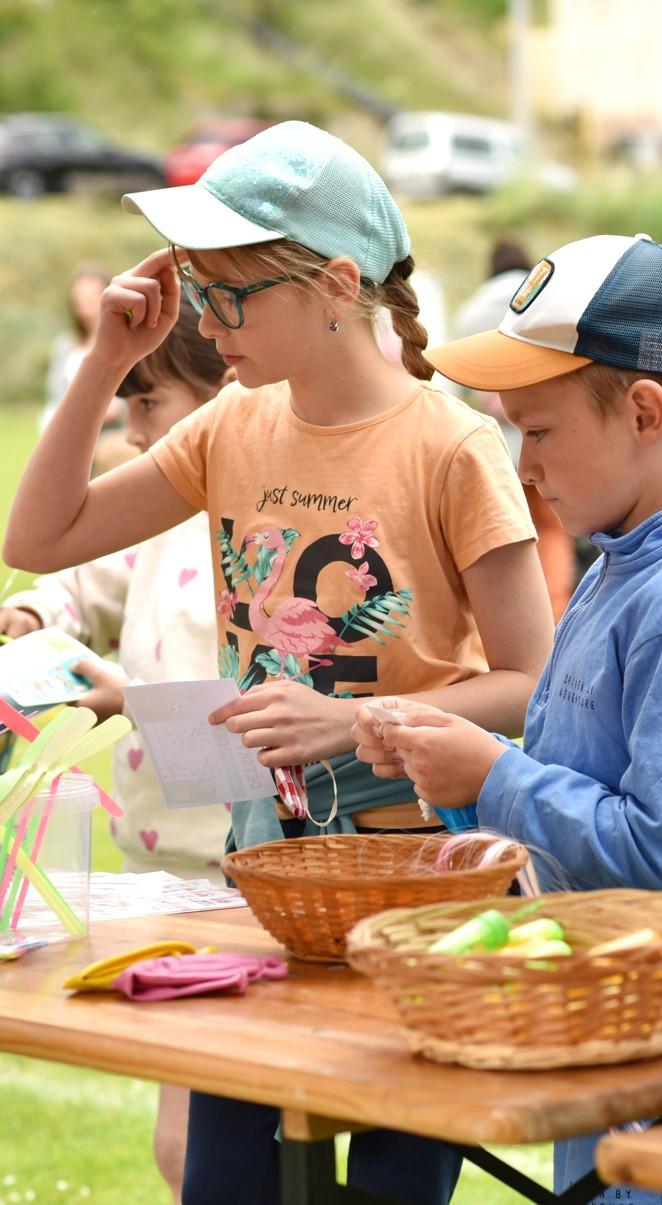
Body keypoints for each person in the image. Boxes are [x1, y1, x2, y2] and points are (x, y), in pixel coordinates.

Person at [4, 120, 554, 1205]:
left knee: (390, 1191)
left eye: (232, 297)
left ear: (336, 285)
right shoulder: (231, 426)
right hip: (259, 879)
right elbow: (39, 535)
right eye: (200, 294)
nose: (207, 325)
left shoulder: (450, 447)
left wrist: (354, 723)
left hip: (417, 890)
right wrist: (106, 361)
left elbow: (532, 685)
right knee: (222, 1185)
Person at [353, 232, 662, 1205]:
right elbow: (577, 790)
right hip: (616, 1019)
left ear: (643, 412)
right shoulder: (619, 567)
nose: (522, 464)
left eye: (539, 431)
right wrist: (455, 776)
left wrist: (494, 773)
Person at [0, 298, 231, 1204]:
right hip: (166, 872)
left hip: (246, 871)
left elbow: (261, 728)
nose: (132, 433)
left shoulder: (259, 530)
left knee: (207, 1143)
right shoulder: (159, 513)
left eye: (149, 403)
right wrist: (35, 613)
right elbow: (80, 580)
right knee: (188, 1145)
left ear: (228, 389)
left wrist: (128, 701)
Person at [453, 238, 576, 620]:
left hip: (491, 452)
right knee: (551, 530)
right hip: (544, 443)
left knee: (500, 541)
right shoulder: (545, 302)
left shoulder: (470, 313)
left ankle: (507, 624)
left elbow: (454, 392)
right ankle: (555, 614)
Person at [41, 264, 137, 475]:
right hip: (69, 430)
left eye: (90, 296)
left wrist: (113, 408)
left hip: (113, 430)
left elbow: (137, 389)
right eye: (80, 297)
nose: (84, 302)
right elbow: (55, 393)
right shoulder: (65, 345)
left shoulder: (125, 340)